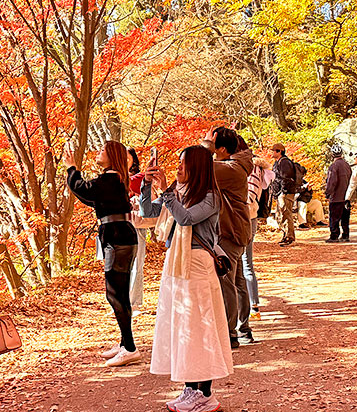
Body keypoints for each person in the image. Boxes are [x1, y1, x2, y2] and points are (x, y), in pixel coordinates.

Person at [139, 146, 233, 412]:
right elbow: (148, 213)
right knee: (183, 328)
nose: (178, 168)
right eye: (178, 162)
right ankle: (189, 389)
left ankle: (205, 393)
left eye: (183, 164)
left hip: (198, 265)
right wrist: (148, 185)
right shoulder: (178, 193)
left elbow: (186, 218)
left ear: (197, 167)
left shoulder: (211, 197)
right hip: (176, 264)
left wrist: (167, 191)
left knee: (200, 327)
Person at [65, 141, 140, 367]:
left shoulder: (110, 178)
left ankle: (129, 347)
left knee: (115, 294)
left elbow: (82, 188)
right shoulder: (114, 180)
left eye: (102, 151)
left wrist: (72, 168)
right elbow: (90, 197)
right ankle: (125, 342)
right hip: (120, 236)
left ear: (112, 156)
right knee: (119, 293)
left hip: (117, 239)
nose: (98, 153)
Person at [201, 127, 254, 347]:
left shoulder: (230, 169)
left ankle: (230, 333)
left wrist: (204, 146)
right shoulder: (235, 165)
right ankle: (242, 328)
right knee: (238, 281)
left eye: (213, 146)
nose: (211, 151)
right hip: (235, 230)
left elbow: (198, 167)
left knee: (226, 283)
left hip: (229, 231)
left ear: (221, 149)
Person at [240, 138, 274, 322]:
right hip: (250, 218)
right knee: (246, 264)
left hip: (245, 219)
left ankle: (252, 306)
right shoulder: (258, 168)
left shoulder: (252, 168)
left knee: (245, 264)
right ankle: (251, 305)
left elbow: (249, 196)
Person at [127, 148, 153, 317]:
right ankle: (124, 302)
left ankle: (134, 303)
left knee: (137, 264)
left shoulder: (138, 177)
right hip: (120, 225)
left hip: (136, 224)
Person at [325, 144, 353, 243]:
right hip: (346, 196)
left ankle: (334, 235)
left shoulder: (333, 166)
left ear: (332, 155)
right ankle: (345, 235)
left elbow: (332, 182)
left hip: (336, 196)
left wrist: (328, 193)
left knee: (334, 217)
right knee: (345, 218)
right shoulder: (347, 165)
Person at [270, 143, 297, 245]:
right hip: (280, 193)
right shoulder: (278, 163)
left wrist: (283, 192)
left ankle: (289, 237)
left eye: (273, 150)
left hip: (285, 193)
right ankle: (285, 235)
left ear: (279, 151)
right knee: (280, 215)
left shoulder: (285, 163)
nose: (272, 152)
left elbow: (286, 179)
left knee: (286, 214)